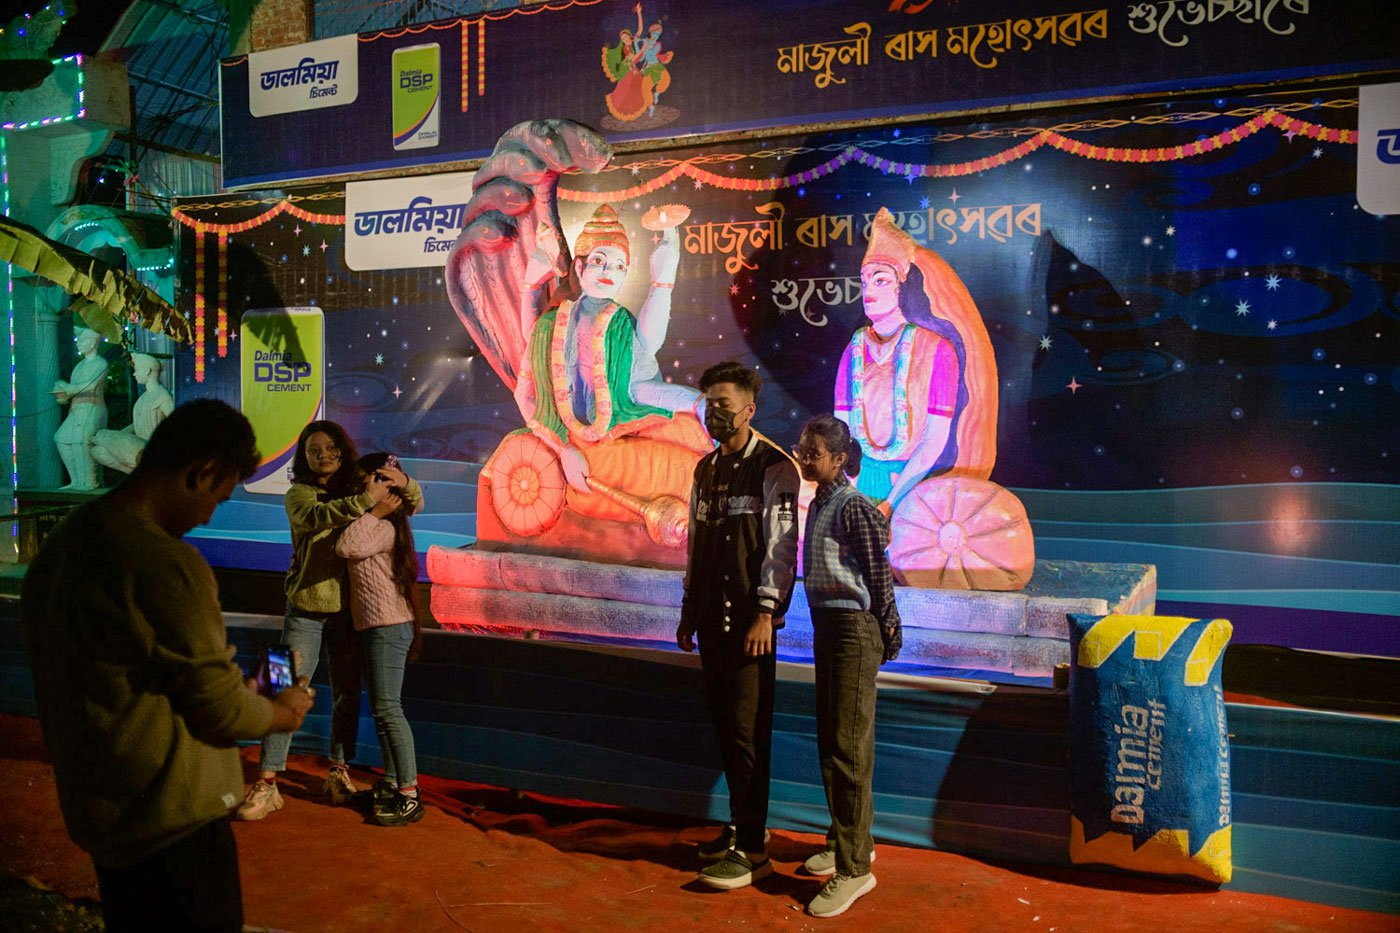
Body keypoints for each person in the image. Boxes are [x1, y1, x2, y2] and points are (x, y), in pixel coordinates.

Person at [20, 398, 315, 932]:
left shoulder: (66, 544)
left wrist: (234, 690)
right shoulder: (164, 562)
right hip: (173, 826)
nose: (208, 515)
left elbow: (140, 674)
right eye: (218, 499)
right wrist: (283, 712)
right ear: (202, 472)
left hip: (106, 816)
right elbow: (221, 714)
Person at [236, 420, 423, 820]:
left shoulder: (358, 488)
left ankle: (338, 771)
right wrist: (366, 503)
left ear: (344, 451)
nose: (324, 455)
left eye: (332, 448)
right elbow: (317, 518)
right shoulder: (298, 494)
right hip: (301, 608)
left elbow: (415, 501)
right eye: (314, 449)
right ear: (303, 456)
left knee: (347, 695)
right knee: (280, 688)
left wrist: (401, 480)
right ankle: (267, 782)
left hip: (348, 613)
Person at [677, 360, 800, 890]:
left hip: (751, 623)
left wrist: (767, 612)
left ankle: (754, 851)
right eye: (709, 404)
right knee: (727, 730)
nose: (714, 413)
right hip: (709, 620)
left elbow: (781, 548)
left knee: (749, 734)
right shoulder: (705, 470)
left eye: (724, 405)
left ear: (750, 409)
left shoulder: (776, 467)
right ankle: (739, 828)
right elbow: (695, 544)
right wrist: (688, 610)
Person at [514, 203, 707, 523]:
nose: (609, 272)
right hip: (580, 447)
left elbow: (640, 381)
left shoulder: (617, 323)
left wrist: (664, 276)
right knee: (680, 470)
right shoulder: (549, 327)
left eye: (619, 266)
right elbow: (525, 394)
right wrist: (563, 452)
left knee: (698, 430)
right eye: (600, 262)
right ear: (579, 268)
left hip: (622, 422)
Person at [793, 414, 902, 918]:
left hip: (855, 629)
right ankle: (845, 840)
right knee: (831, 739)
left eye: (813, 452)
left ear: (839, 459)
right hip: (827, 626)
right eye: (801, 448)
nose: (803, 456)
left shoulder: (852, 506)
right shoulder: (819, 503)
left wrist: (888, 626)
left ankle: (857, 868)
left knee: (849, 744)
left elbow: (878, 573)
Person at [834, 207, 999, 518]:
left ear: (903, 286)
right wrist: (851, 490)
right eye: (865, 281)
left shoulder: (938, 351)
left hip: (914, 490)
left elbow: (933, 440)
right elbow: (841, 430)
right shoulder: (854, 349)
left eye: (880, 280)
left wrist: (890, 504)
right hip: (855, 483)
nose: (869, 291)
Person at [335, 452, 426, 827]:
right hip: (378, 627)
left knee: (389, 710)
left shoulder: (383, 527)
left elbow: (347, 546)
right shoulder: (379, 524)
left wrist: (375, 509)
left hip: (388, 628)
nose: (365, 489)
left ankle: (409, 793)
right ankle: (392, 781)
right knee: (382, 710)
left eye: (374, 483)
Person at [90, 352, 175, 476]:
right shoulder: (143, 398)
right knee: (97, 452)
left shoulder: (163, 397)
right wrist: (117, 437)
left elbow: (177, 425)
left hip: (149, 449)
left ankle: (148, 469)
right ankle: (138, 475)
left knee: (102, 434)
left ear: (147, 371)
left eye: (137, 370)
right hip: (136, 446)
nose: (134, 374)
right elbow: (135, 426)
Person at [52, 327, 109, 490]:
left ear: (92, 343)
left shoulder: (101, 363)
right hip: (77, 408)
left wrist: (69, 388)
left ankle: (91, 481)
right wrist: (63, 393)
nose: (78, 344)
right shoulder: (78, 366)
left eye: (82, 341)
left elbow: (91, 386)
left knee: (84, 441)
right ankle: (77, 480)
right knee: (61, 438)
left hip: (93, 407)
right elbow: (74, 389)